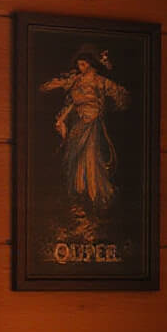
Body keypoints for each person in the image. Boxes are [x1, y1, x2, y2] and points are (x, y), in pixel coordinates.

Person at [41, 46, 130, 215]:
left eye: (83, 64)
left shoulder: (100, 81)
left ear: (90, 65)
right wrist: (61, 119)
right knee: (74, 158)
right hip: (78, 123)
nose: (80, 67)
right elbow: (69, 102)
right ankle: (79, 195)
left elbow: (121, 95)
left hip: (92, 122)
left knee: (91, 157)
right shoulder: (76, 81)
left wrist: (110, 106)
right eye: (79, 64)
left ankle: (95, 195)